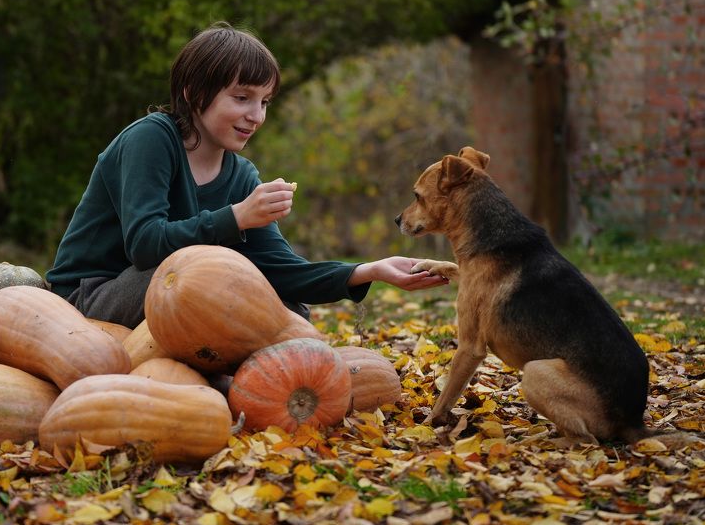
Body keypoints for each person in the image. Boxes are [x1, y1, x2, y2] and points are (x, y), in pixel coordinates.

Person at [46, 22, 448, 328]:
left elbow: (280, 268)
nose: (256, 116)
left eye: (264, 101)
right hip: (89, 300)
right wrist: (236, 218)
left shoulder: (240, 174)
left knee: (287, 305)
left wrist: (370, 271)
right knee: (202, 281)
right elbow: (146, 246)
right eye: (241, 98)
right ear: (192, 92)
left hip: (172, 292)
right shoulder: (150, 140)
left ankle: (268, 383)